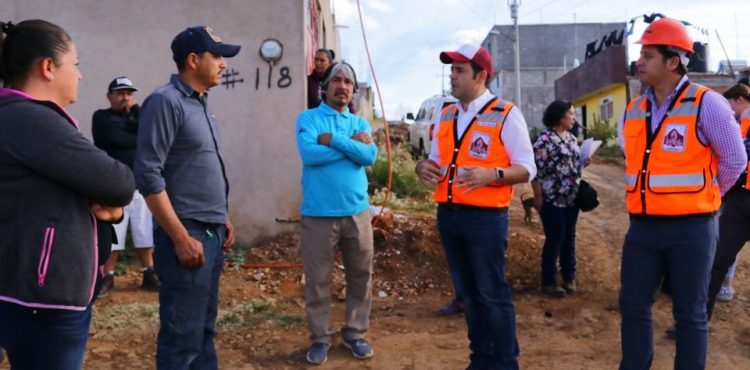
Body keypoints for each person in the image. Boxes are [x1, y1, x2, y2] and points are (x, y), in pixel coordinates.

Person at [0, 19, 134, 369]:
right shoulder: (30, 120)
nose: (79, 75)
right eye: (74, 65)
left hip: (29, 292)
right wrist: (110, 200)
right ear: (47, 67)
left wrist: (112, 211)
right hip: (41, 301)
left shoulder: (23, 119)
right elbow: (119, 182)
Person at [617, 18, 746, 370]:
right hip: (642, 228)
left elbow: (735, 160)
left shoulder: (708, 104)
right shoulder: (633, 109)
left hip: (691, 228)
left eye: (647, 54)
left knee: (690, 313)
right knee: (633, 305)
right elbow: (632, 159)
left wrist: (707, 195)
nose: (638, 62)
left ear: (673, 61)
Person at [416, 44, 536, 370]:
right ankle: (480, 360)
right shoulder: (448, 113)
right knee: (468, 294)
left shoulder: (506, 114)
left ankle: (505, 363)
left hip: (485, 219)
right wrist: (424, 166)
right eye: (451, 70)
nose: (452, 77)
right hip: (449, 214)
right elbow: (438, 160)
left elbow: (527, 167)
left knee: (492, 294)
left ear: (481, 75)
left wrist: (493, 174)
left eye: (459, 70)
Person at [134, 26, 239, 370]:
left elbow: (197, 169)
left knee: (204, 330)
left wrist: (221, 216)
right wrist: (180, 237)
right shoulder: (166, 102)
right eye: (218, 56)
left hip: (210, 233)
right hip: (187, 237)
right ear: (193, 60)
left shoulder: (202, 106)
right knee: (182, 339)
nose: (224, 64)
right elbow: (148, 175)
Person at [295, 61, 377, 365]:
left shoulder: (360, 124)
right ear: (325, 87)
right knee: (317, 280)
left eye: (348, 82)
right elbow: (310, 154)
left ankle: (355, 333)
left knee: (360, 275)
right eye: (336, 80)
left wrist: (335, 140)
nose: (342, 86)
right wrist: (350, 148)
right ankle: (319, 337)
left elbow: (369, 155)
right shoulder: (309, 118)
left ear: (353, 90)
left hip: (357, 213)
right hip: (318, 214)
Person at [93, 76, 159, 295]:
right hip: (114, 187)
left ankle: (149, 273)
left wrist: (132, 123)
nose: (125, 97)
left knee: (144, 233)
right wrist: (133, 136)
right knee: (114, 236)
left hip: (140, 185)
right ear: (109, 96)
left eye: (129, 93)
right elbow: (106, 138)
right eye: (120, 93)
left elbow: (149, 139)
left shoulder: (141, 116)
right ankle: (107, 277)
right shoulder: (101, 117)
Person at [532, 100, 590, 298]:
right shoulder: (545, 141)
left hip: (571, 198)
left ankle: (569, 277)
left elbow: (573, 166)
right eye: (571, 114)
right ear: (559, 117)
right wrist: (538, 196)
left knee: (569, 237)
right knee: (556, 237)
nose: (574, 118)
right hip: (551, 198)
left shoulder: (572, 139)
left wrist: (584, 161)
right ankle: (548, 281)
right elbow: (535, 172)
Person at [704, 83, 750, 313]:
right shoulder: (738, 123)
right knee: (717, 260)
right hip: (739, 201)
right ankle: (698, 318)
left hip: (738, 198)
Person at [307, 48, 354, 112]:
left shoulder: (336, 81)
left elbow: (349, 105)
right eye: (316, 60)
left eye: (322, 60)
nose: (318, 63)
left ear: (330, 63)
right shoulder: (308, 82)